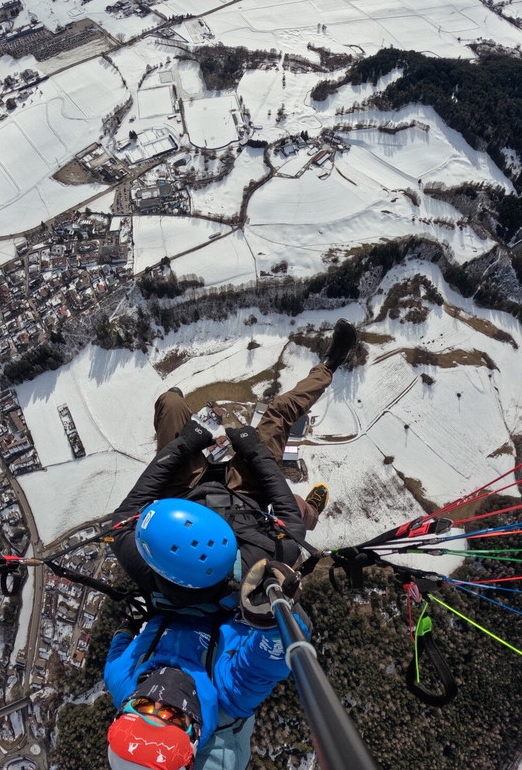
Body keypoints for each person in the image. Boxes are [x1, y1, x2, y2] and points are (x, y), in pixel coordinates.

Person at [110, 319, 357, 609]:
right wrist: (254, 451)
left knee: (171, 404)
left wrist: (182, 445)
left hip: (182, 491)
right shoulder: (250, 569)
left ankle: (174, 400)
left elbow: (123, 516)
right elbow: (291, 524)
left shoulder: (148, 568)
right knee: (279, 417)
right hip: (244, 497)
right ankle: (329, 366)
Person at [105, 559, 304, 770]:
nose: (160, 697)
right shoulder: (229, 696)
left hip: (173, 596)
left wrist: (128, 626)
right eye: (173, 716)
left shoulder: (122, 678)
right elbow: (269, 656)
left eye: (142, 705)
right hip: (233, 597)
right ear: (196, 734)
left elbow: (117, 651)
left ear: (125, 708)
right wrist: (274, 609)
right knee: (279, 548)